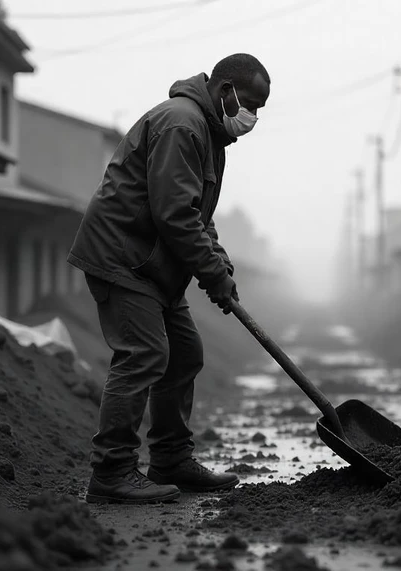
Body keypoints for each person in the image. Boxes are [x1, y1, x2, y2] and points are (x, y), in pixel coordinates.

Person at [68, 54, 270, 504]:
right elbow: (174, 214)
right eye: (250, 103)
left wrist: (220, 267)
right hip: (124, 257)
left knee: (184, 355)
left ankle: (170, 459)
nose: (253, 117)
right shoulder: (182, 125)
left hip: (155, 264)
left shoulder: (209, 133)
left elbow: (198, 215)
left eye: (261, 109)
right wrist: (211, 273)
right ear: (224, 91)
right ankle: (112, 471)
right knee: (144, 353)